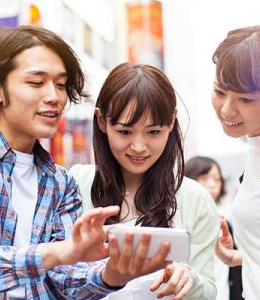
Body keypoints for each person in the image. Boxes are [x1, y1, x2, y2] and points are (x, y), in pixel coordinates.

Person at [0, 26, 171, 299]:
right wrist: (58, 252)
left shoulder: (60, 182)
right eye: (36, 83)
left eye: (60, 84)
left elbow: (66, 278)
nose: (54, 97)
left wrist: (112, 275)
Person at [71, 62, 220, 299]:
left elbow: (210, 292)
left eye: (153, 132)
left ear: (171, 122)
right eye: (125, 132)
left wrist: (190, 279)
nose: (139, 147)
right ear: (101, 121)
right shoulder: (75, 183)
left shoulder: (195, 199)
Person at [212, 25, 260, 300]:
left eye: (245, 99)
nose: (227, 109)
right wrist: (242, 256)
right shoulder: (259, 144)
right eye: (219, 92)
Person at [185, 156, 243, 300]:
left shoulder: (225, 219)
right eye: (204, 177)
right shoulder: (182, 217)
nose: (212, 184)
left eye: (217, 179)